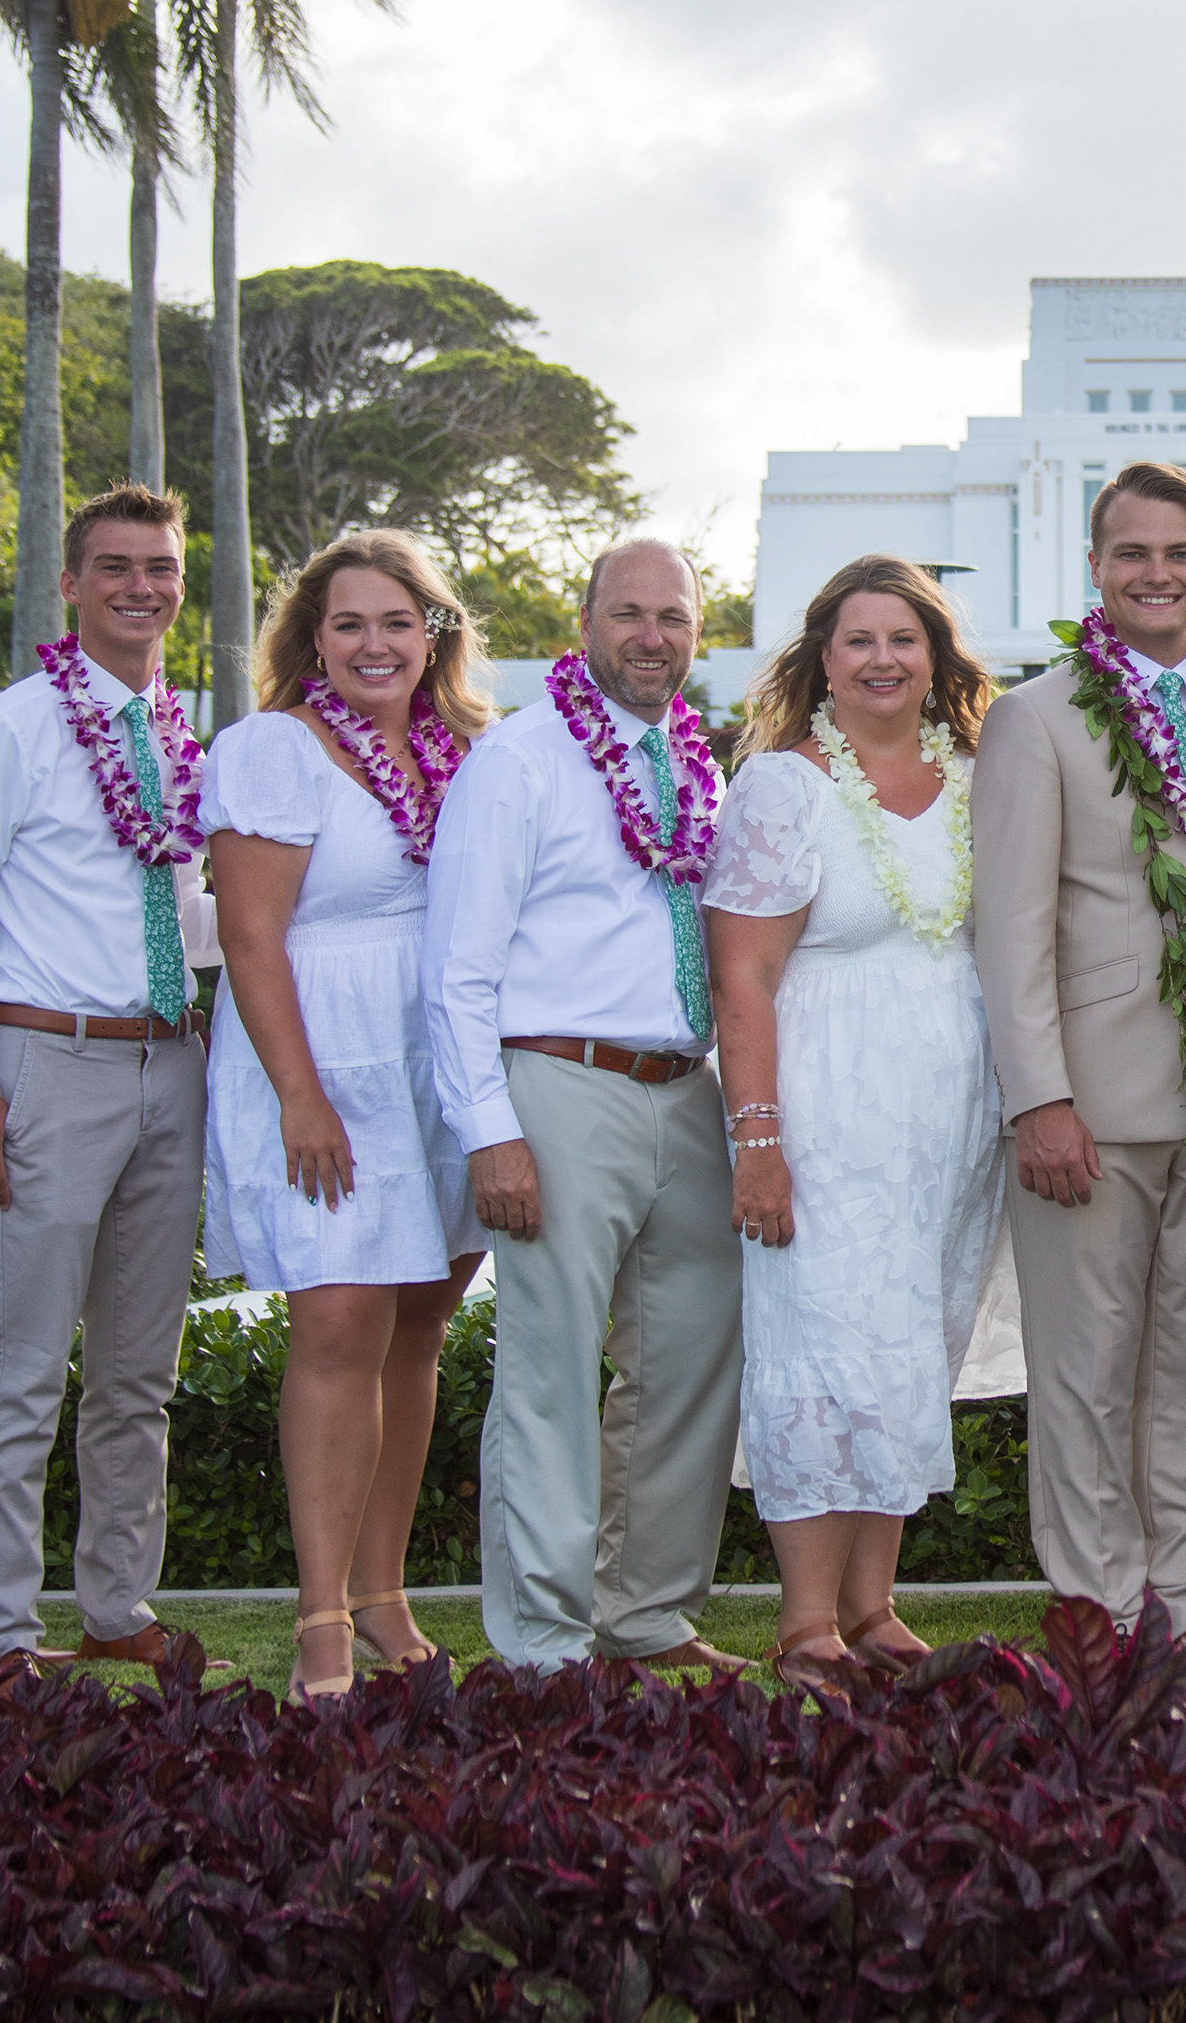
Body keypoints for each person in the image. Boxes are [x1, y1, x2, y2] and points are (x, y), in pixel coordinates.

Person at [0, 484, 218, 1669]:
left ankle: (116, 1607)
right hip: (45, 1062)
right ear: (72, 584)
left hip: (166, 1063)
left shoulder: (181, 730)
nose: (143, 586)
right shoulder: (10, 728)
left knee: (140, 1370)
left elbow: (187, 903)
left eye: (163, 567)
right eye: (118, 566)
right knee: (24, 1365)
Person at [425, 538, 746, 1674]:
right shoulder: (519, 760)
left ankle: (645, 1612)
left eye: (673, 616)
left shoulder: (693, 762)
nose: (652, 636)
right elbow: (455, 965)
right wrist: (489, 1129)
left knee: (695, 1355)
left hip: (683, 1091)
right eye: (629, 613)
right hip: (557, 1086)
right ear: (586, 618)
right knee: (552, 1370)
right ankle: (544, 1640)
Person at [968, 460, 1186, 1628]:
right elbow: (1010, 926)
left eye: (1179, 552)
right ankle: (1099, 1605)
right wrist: (1039, 1097)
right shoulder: (1034, 717)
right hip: (1087, 1105)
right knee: (1085, 1377)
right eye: (1132, 553)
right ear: (1095, 567)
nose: (1158, 573)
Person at [703, 555, 1007, 1681]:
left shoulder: (977, 778)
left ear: (935, 659)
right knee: (817, 1348)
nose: (883, 659)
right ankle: (806, 1622)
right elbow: (741, 980)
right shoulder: (786, 788)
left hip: (947, 1125)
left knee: (903, 1352)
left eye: (904, 639)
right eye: (859, 640)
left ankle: (875, 1608)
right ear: (821, 662)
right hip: (823, 1115)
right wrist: (760, 1143)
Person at [202, 531, 494, 1704]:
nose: (375, 644)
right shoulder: (274, 749)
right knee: (335, 1324)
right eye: (348, 624)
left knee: (417, 1327)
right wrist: (302, 1094)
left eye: (397, 620)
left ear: (436, 632)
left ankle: (383, 1598)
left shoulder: (467, 751)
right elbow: (249, 934)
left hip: (437, 1061)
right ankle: (319, 1619)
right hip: (324, 1056)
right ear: (312, 640)